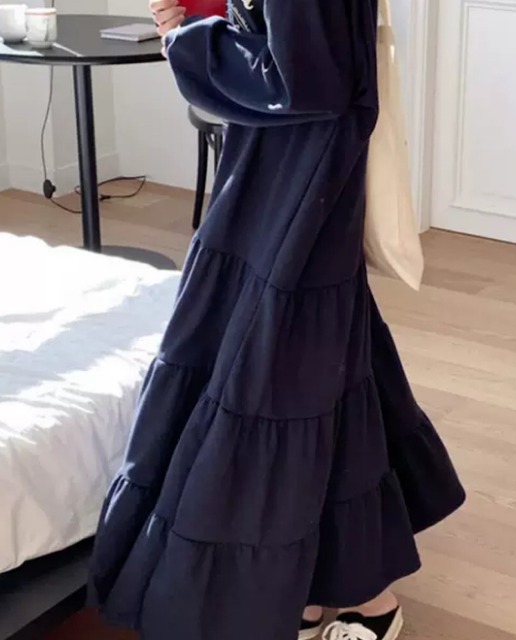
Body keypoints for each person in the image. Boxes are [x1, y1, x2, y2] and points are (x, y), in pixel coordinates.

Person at [88, 1, 466, 639]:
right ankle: (333, 592)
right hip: (291, 169)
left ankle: (370, 599)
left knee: (284, 378)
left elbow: (303, 82)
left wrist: (187, 38)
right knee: (309, 376)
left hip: (297, 177)